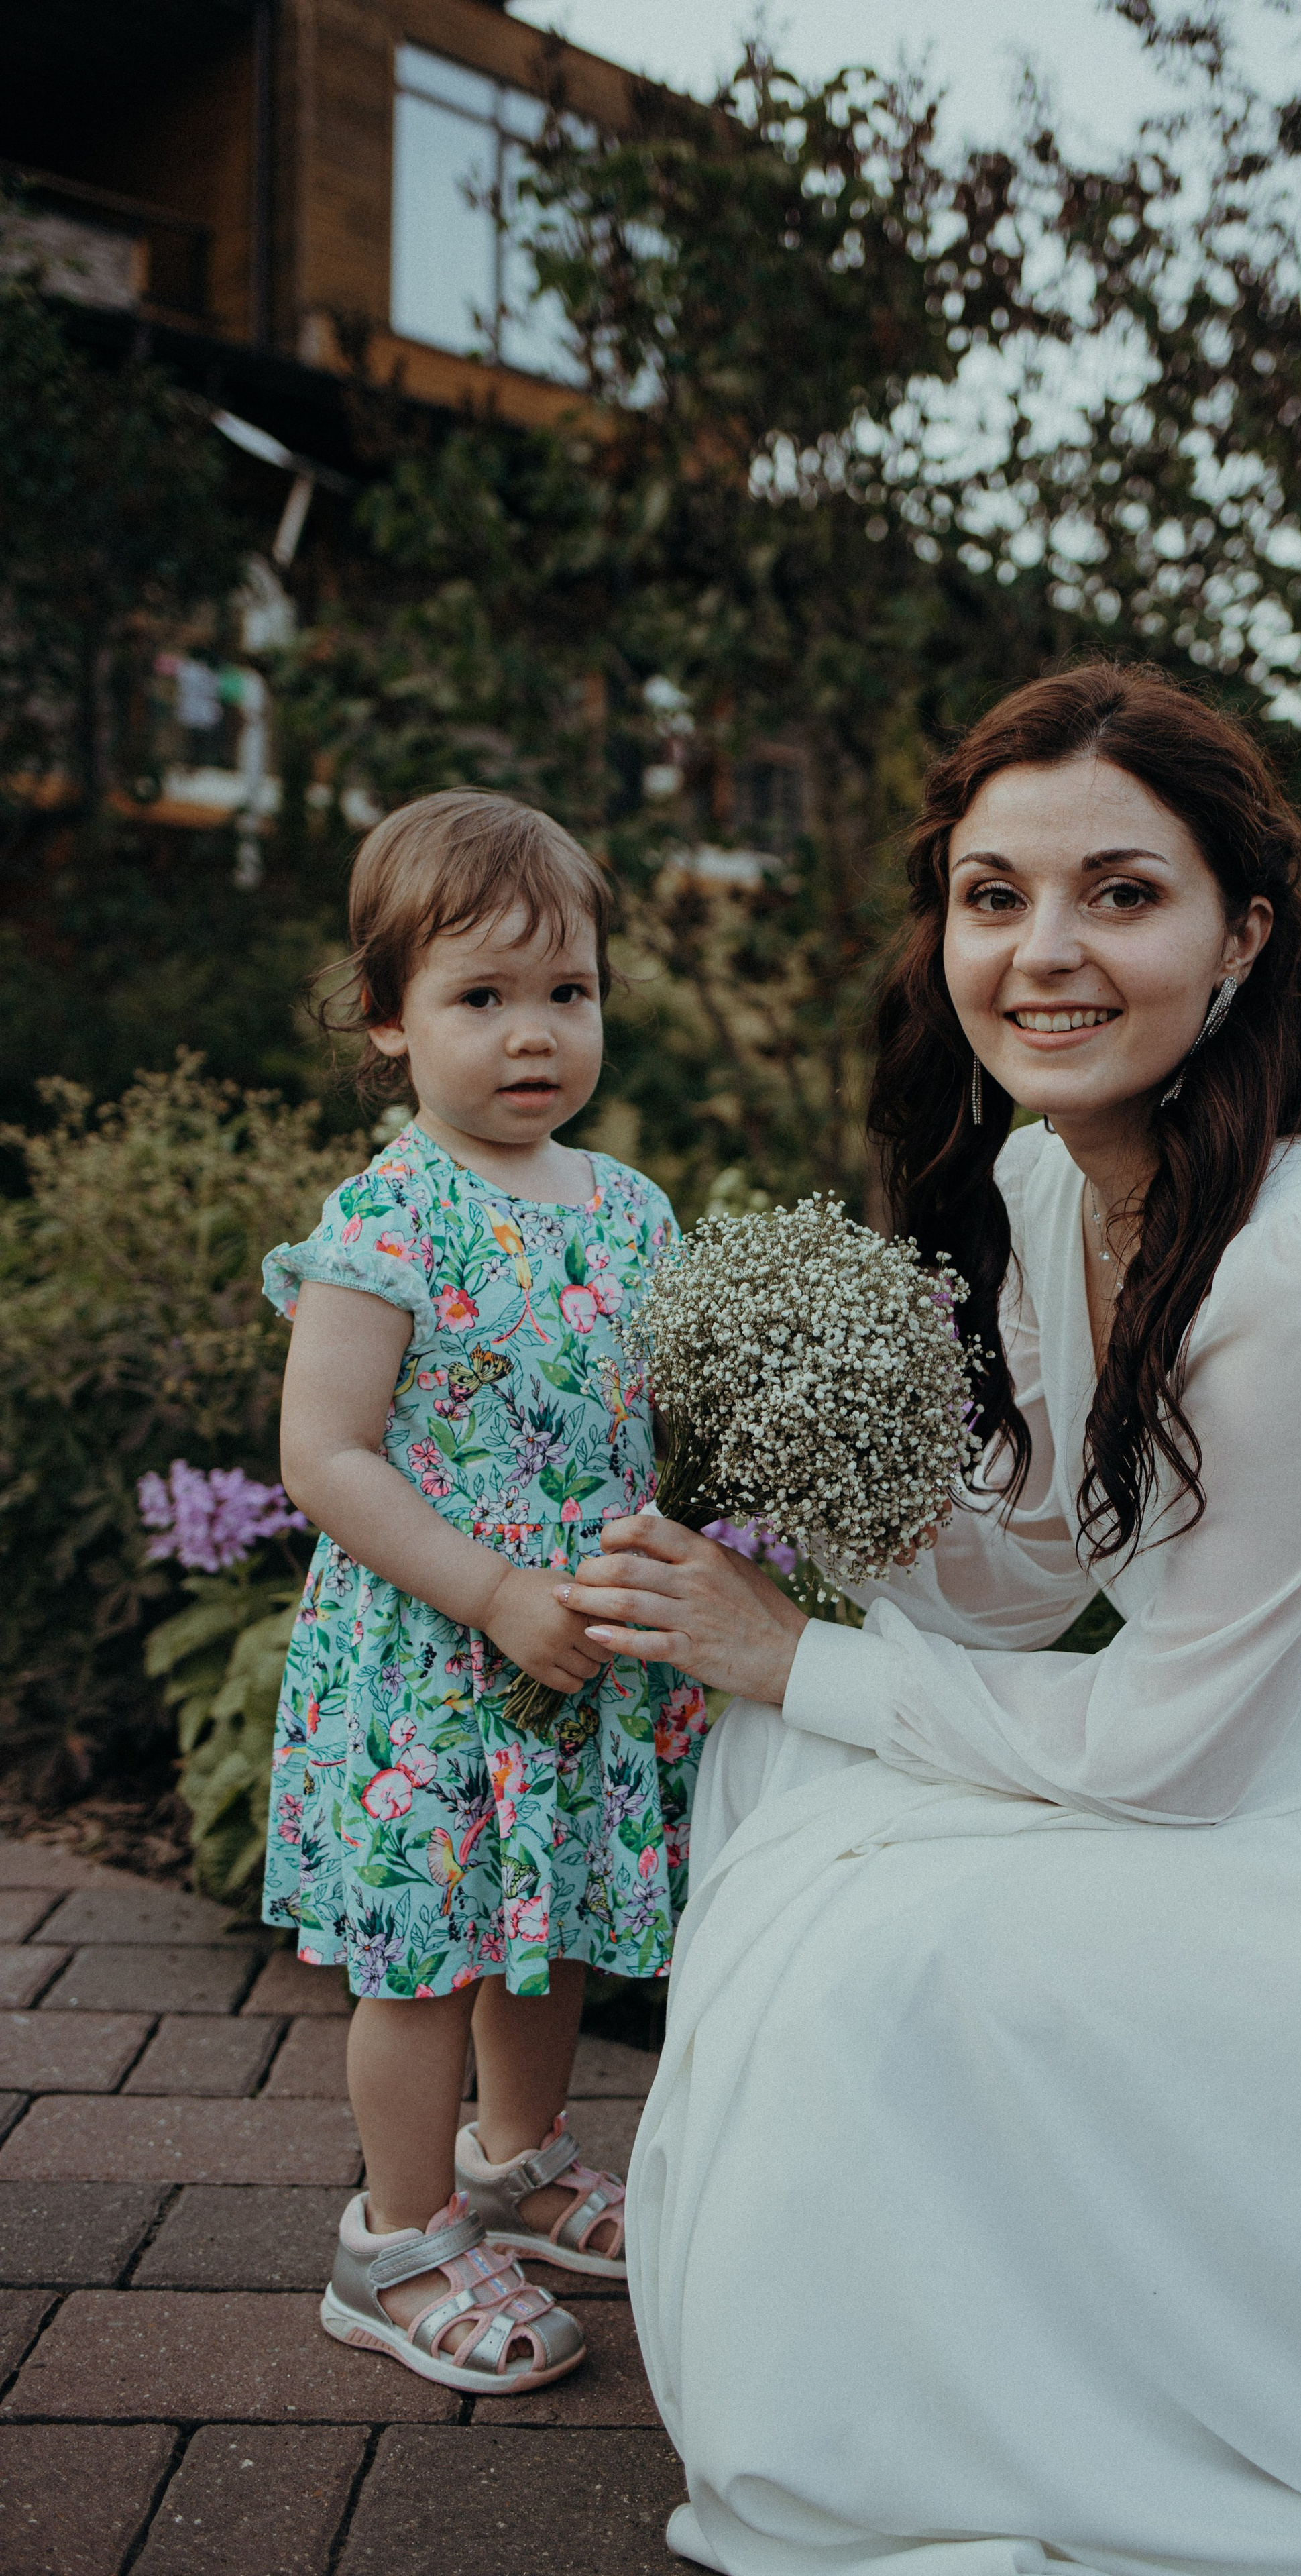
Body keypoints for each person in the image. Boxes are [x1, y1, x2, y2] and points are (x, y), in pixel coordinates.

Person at [572, 667, 1301, 2575]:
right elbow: (1040, 1564)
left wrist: (800, 1651)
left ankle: (1051, 2413)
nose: (1044, 952)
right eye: (993, 896)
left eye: (1120, 893)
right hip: (1267, 1742)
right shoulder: (1055, 1170)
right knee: (790, 1775)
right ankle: (968, 2375)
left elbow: (1176, 1753)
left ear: (1243, 934)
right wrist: (834, 1482)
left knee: (876, 1952)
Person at [262, 789, 706, 2393]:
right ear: (387, 1021)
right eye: (480, 996)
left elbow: (651, 1411)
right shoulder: (391, 1216)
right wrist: (494, 1589)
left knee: (553, 1917)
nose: (534, 1034)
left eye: (566, 992)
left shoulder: (630, 1208)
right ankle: (393, 2241)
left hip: (572, 1655)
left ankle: (516, 2160)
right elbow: (325, 1455)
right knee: (426, 1956)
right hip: (430, 1665)